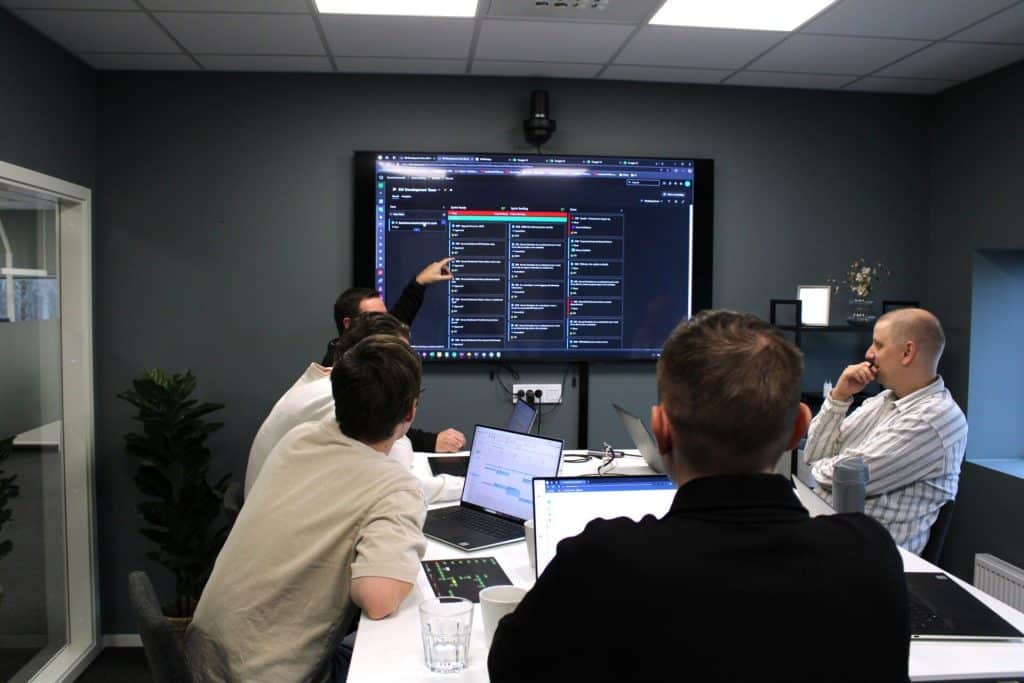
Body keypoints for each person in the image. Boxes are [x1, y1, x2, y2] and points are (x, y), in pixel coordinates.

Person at [488, 310, 910, 682]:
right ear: (799, 429)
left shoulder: (599, 562)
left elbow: (508, 667)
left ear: (661, 429)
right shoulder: (870, 554)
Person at [186, 334, 427, 683]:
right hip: (264, 672)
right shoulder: (393, 485)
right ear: (410, 411)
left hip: (207, 657)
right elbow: (377, 598)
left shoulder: (298, 439)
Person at [244, 312, 463, 503]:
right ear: (371, 355)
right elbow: (392, 479)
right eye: (397, 356)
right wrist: (461, 487)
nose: (405, 365)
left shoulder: (326, 386)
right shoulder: (338, 397)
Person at [803, 307, 968, 554]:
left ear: (907, 352)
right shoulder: (883, 401)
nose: (869, 354)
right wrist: (839, 396)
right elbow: (813, 454)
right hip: (836, 540)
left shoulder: (935, 418)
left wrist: (826, 467)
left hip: (871, 559)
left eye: (878, 345)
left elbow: (848, 480)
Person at [322, 257, 465, 453]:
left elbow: (396, 322)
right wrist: (432, 442)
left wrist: (419, 282)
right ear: (348, 324)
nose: (385, 325)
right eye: (376, 318)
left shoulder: (349, 352)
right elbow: (373, 428)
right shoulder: (344, 373)